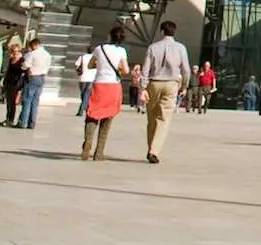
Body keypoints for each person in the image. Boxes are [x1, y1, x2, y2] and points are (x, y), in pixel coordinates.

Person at [140, 20, 189, 165]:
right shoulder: (181, 48)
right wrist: (184, 86)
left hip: (154, 83)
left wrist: (143, 88)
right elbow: (185, 69)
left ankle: (151, 147)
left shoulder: (153, 47)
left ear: (162, 31)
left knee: (151, 117)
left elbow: (145, 69)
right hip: (171, 84)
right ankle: (154, 151)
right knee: (164, 119)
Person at [81, 26, 130, 162]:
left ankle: (88, 141)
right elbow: (126, 70)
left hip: (99, 85)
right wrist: (118, 67)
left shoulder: (99, 49)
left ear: (110, 36)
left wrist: (102, 65)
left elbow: (91, 65)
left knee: (92, 115)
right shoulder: (122, 51)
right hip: (113, 86)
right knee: (107, 119)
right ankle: (99, 152)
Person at [16, 38, 52, 129]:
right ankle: (32, 123)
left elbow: (25, 66)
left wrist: (23, 66)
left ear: (35, 45)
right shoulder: (48, 55)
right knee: (35, 101)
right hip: (41, 78)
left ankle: (22, 122)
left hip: (32, 77)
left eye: (32, 46)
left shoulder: (32, 54)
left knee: (27, 100)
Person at [1, 37, 27, 128]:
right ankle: (8, 118)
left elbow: (23, 72)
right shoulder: (11, 59)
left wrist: (20, 85)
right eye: (13, 51)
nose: (14, 52)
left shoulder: (21, 60)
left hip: (16, 83)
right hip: (9, 81)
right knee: (8, 102)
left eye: (16, 51)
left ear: (19, 50)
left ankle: (10, 119)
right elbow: (8, 71)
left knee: (12, 102)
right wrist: (3, 80)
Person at [75, 48, 98, 117]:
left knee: (83, 94)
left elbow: (76, 66)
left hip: (82, 78)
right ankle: (87, 108)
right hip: (91, 79)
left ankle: (81, 111)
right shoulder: (95, 58)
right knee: (86, 95)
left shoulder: (82, 57)